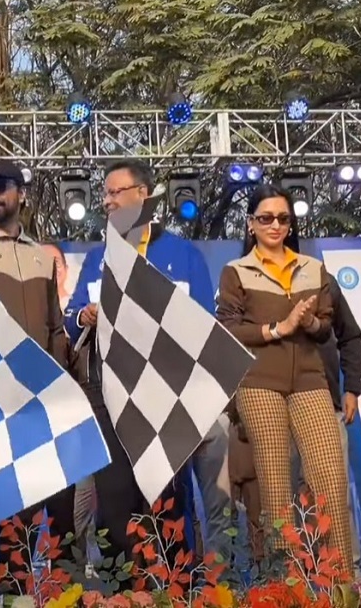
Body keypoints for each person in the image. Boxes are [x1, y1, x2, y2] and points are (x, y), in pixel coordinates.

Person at [64, 159, 227, 567]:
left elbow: (205, 324)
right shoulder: (98, 257)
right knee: (115, 500)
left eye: (114, 192)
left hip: (167, 397)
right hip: (110, 396)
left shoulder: (183, 255)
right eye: (104, 194)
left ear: (143, 195)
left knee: (168, 501)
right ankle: (122, 588)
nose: (106, 201)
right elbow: (70, 319)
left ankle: (174, 586)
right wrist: (84, 315)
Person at [215, 184, 354, 572]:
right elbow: (227, 329)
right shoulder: (236, 271)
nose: (275, 225)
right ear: (251, 223)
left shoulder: (313, 268)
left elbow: (327, 327)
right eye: (266, 218)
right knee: (275, 488)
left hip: (310, 378)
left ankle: (340, 583)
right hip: (258, 381)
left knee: (330, 479)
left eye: (282, 218)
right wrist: (279, 328)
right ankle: (285, 583)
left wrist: (309, 323)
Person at [0, 161, 78, 586]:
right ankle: (10, 593)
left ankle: (68, 593)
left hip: (43, 402)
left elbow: (54, 328)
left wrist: (59, 385)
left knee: (61, 507)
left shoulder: (40, 257)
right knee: (9, 513)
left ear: (21, 193)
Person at [233, 269, 361, 561]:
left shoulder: (321, 281)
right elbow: (233, 338)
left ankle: (345, 573)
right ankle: (289, 574)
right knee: (281, 499)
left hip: (325, 402)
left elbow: (350, 336)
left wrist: (352, 387)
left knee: (333, 492)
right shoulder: (247, 282)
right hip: (271, 404)